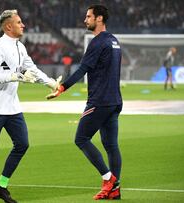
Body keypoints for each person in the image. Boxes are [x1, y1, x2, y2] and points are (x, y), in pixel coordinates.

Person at [0, 9, 61, 203]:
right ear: (8, 26)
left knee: (22, 144)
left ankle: (1, 187)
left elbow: (31, 69)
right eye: (19, 22)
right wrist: (14, 76)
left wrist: (50, 82)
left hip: (12, 107)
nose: (23, 25)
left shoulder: (19, 47)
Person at [47, 5, 122, 200]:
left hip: (99, 101)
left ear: (99, 19)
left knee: (81, 139)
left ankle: (110, 180)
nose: (85, 20)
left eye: (88, 16)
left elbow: (82, 70)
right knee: (111, 145)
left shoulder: (97, 43)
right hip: (115, 101)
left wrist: (62, 88)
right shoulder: (114, 41)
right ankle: (114, 191)